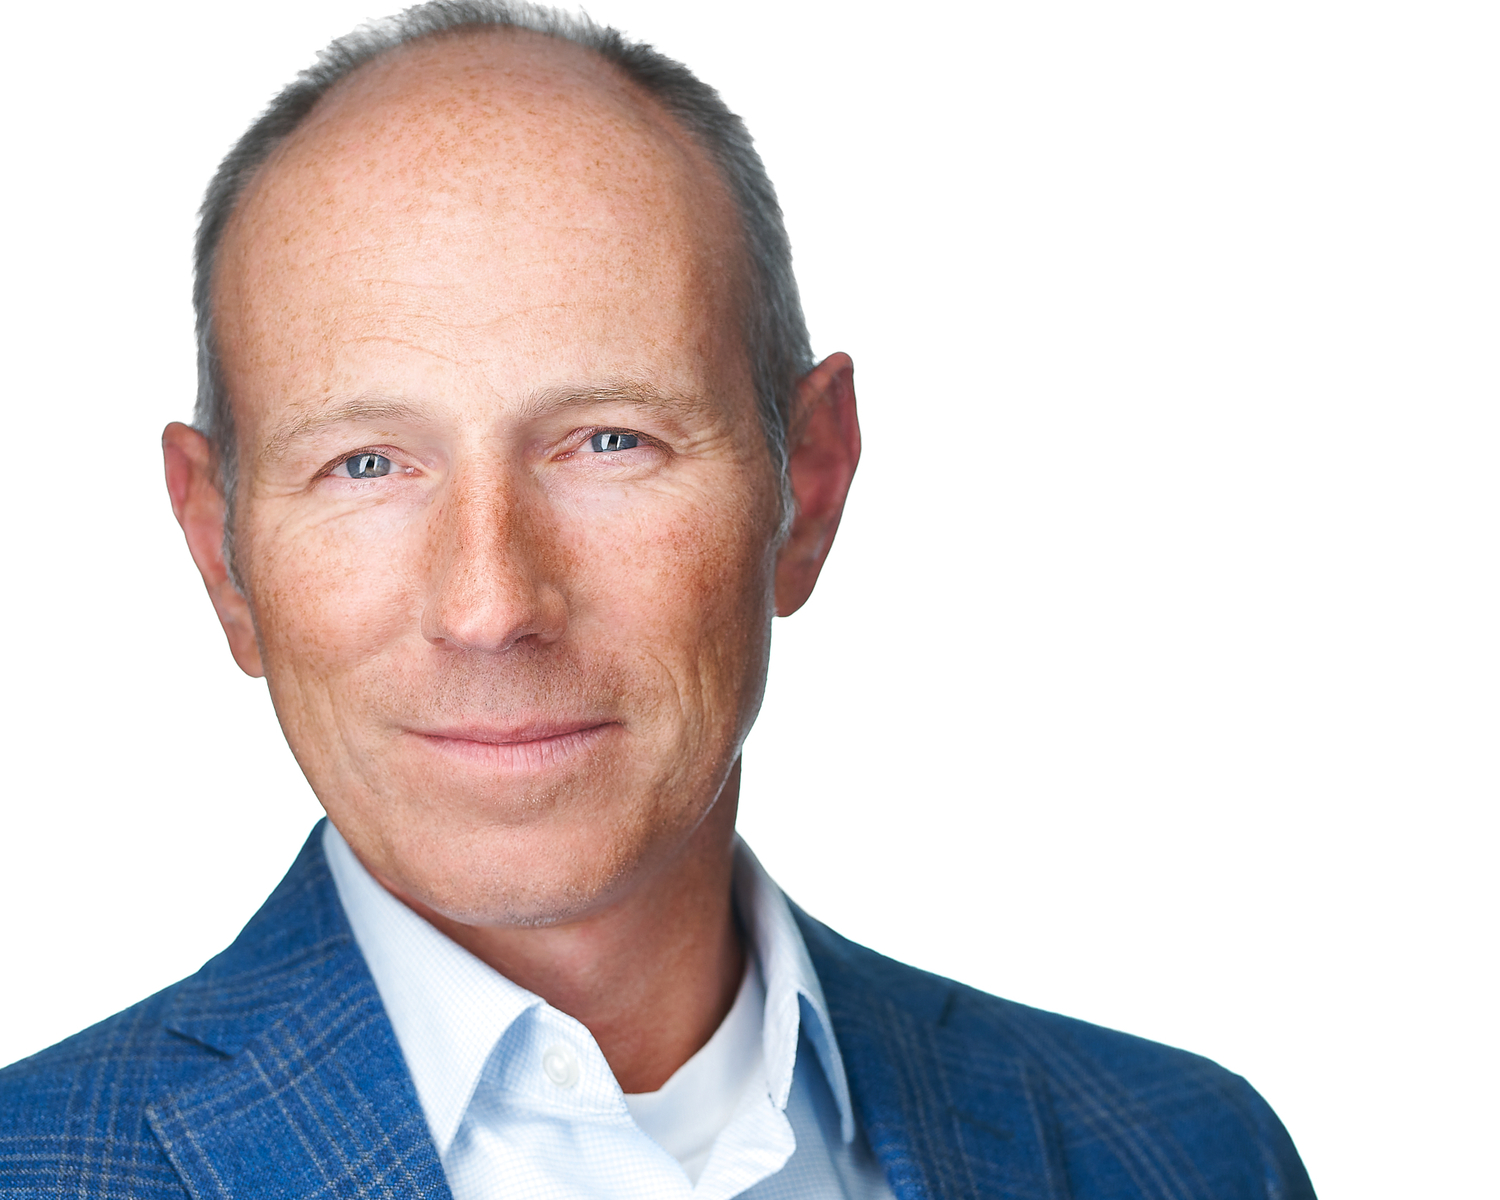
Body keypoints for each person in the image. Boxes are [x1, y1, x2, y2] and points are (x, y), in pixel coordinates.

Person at [0, 4, 1315, 1197]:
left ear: (808, 481)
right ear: (221, 552)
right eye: (366, 464)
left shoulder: (1188, 1160)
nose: (490, 605)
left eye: (609, 441)